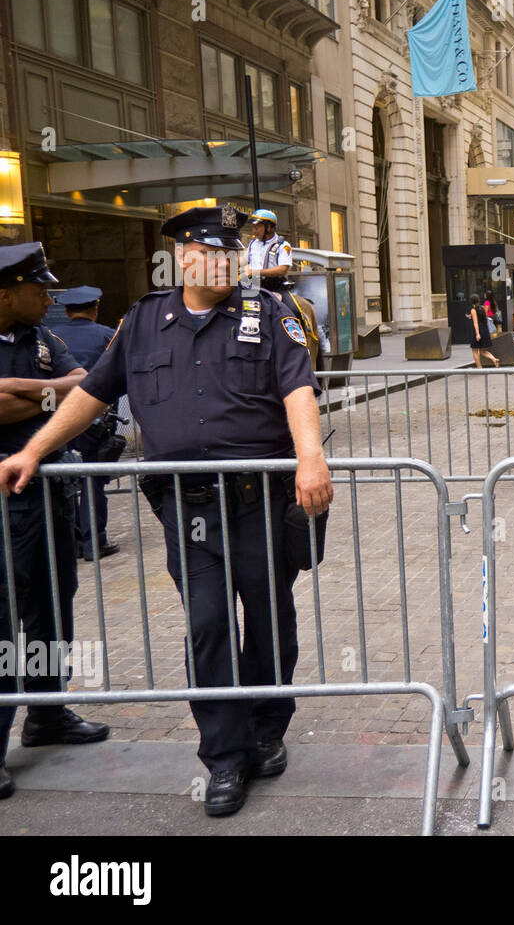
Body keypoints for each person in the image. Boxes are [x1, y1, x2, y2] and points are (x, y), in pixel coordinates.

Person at [0, 205, 333, 817]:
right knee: (207, 626)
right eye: (216, 253)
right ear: (183, 257)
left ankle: (266, 730)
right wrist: (33, 451)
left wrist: (310, 458)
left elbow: (297, 387)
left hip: (260, 500)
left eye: (234, 253)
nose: (230, 263)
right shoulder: (145, 322)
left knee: (267, 617)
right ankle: (224, 759)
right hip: (188, 506)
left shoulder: (268, 312)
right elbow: (95, 393)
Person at [0, 245, 112, 801]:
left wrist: (25, 393)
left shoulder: (40, 339)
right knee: (4, 617)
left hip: (48, 499)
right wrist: (56, 398)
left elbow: (87, 385)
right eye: (37, 290)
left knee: (52, 606)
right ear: (5, 293)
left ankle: (46, 713)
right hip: (3, 503)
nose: (48, 300)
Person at [55, 285, 122, 561]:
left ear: (67, 311)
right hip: (95, 420)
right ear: (95, 309)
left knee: (61, 478)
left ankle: (68, 538)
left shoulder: (51, 337)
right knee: (92, 478)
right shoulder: (106, 335)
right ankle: (93, 541)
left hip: (58, 418)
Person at [243, 208, 292, 293]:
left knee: (290, 305)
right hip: (253, 285)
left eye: (257, 228)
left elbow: (282, 269)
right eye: (253, 228)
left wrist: (255, 272)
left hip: (274, 287)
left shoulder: (283, 245)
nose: (253, 231)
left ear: (269, 227)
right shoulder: (253, 244)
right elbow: (244, 261)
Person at [468, 293, 500, 368]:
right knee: (482, 351)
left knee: (475, 351)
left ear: (471, 301)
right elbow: (482, 318)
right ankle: (494, 359)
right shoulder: (482, 308)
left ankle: (480, 368)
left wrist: (477, 334)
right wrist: (471, 316)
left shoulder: (473, 310)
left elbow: (476, 323)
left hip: (478, 331)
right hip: (484, 330)